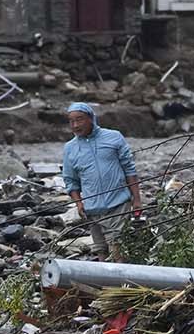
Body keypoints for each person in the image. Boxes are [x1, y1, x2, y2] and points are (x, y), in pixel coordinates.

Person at [60, 102, 141, 258]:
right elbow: (70, 180)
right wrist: (79, 203)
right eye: (71, 121)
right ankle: (106, 282)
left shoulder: (114, 137)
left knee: (117, 248)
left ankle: (123, 281)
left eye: (80, 119)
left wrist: (136, 199)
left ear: (91, 119)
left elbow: (129, 169)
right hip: (92, 209)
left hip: (118, 204)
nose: (75, 125)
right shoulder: (70, 148)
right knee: (101, 250)